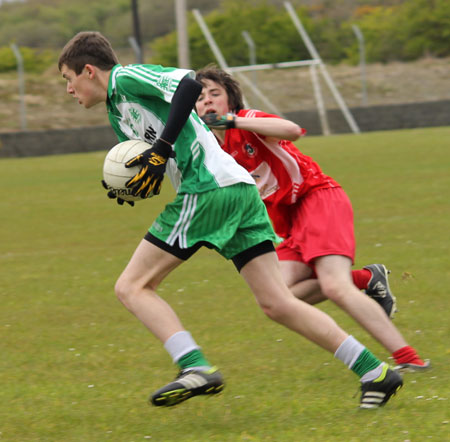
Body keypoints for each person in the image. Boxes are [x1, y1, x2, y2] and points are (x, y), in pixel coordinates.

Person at [58, 31, 403, 410]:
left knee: (132, 286)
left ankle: (194, 366)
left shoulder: (126, 78)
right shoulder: (116, 112)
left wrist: (160, 149)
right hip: (237, 189)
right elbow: (163, 156)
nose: (69, 91)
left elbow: (187, 86)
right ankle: (376, 372)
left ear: (89, 70)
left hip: (209, 188)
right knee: (277, 303)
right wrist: (141, 179)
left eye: (68, 80)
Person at [195, 65, 430, 373]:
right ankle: (366, 279)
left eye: (216, 94)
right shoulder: (211, 148)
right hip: (287, 219)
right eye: (200, 98)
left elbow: (292, 130)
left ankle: (409, 359)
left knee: (334, 286)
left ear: (231, 101)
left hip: (317, 198)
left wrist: (233, 119)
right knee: (279, 299)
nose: (208, 102)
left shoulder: (247, 120)